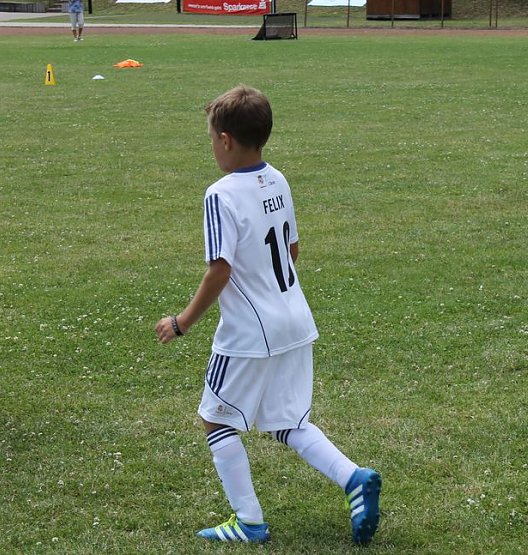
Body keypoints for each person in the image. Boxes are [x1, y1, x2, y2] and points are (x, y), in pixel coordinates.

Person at [154, 85, 381, 545]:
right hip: (295, 319)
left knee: (216, 419)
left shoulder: (220, 194)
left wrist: (182, 322)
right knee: (287, 422)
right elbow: (292, 249)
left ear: (224, 140)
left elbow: (220, 268)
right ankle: (354, 477)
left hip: (249, 333)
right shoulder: (277, 179)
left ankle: (249, 521)